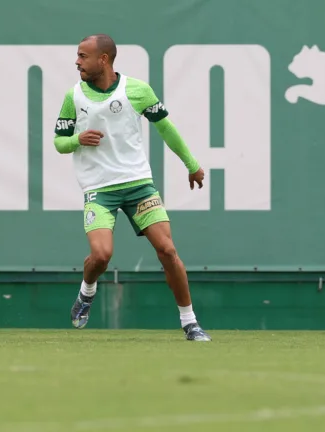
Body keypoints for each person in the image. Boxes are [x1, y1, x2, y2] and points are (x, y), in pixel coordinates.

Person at [52, 34, 211, 342]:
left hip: (138, 185)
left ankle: (190, 322)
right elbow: (59, 142)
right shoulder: (74, 96)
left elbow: (166, 127)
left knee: (167, 250)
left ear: (104, 59)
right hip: (99, 188)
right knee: (101, 256)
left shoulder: (137, 90)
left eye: (83, 56)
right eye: (77, 55)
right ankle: (87, 292)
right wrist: (76, 140)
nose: (77, 61)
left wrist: (191, 164)